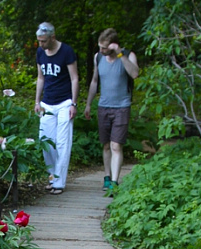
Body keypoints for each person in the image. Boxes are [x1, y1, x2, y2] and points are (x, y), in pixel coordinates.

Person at [84, 28, 139, 192]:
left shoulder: (128, 55)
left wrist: (120, 54)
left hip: (122, 107)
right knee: (106, 145)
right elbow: (95, 81)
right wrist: (88, 103)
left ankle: (115, 182)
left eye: (105, 48)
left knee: (116, 145)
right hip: (103, 106)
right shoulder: (98, 57)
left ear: (114, 45)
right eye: (100, 47)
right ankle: (107, 177)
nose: (101, 50)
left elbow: (135, 74)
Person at [34, 22, 79, 195]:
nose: (41, 44)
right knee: (46, 142)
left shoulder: (66, 52)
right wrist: (37, 101)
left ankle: (59, 183)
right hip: (47, 102)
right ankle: (52, 177)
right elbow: (40, 77)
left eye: (44, 41)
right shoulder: (40, 52)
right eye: (39, 41)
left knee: (62, 143)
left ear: (52, 37)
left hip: (64, 103)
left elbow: (75, 78)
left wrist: (74, 103)